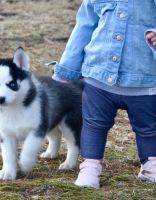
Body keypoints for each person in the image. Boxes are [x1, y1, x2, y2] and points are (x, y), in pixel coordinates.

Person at [52, 0, 156, 188]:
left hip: (144, 78)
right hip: (98, 77)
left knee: (148, 127)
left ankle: (150, 165)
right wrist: (66, 70)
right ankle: (90, 166)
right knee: (94, 124)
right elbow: (83, 28)